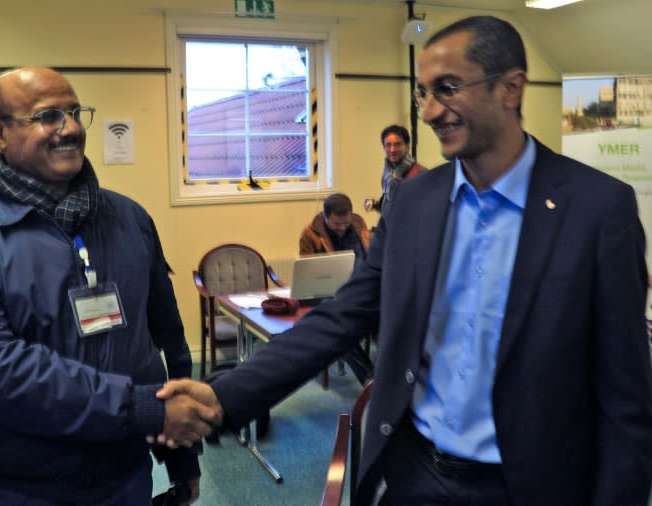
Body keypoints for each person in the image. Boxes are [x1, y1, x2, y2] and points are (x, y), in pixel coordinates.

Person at [157, 16, 652, 505]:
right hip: (416, 476)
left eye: (448, 88)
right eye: (423, 94)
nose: (430, 111)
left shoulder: (598, 210)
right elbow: (343, 316)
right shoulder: (415, 203)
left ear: (511, 89)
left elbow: (626, 397)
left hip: (533, 485)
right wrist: (228, 395)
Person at [0, 67, 216, 505]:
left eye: (76, 112)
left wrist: (181, 456)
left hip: (125, 480)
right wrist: (142, 410)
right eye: (49, 116)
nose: (72, 128)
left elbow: (163, 339)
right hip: (17, 488)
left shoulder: (131, 219)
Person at [299, 192, 373, 385]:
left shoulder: (359, 226)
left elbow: (371, 258)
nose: (341, 228)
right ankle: (370, 382)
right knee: (343, 329)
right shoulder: (310, 235)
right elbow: (308, 274)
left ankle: (396, 380)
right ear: (325, 217)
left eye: (345, 223)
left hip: (364, 290)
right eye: (336, 224)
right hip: (332, 297)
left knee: (395, 321)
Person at [362, 124, 426, 215]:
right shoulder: (387, 174)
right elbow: (391, 206)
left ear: (407, 146)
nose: (392, 150)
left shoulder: (420, 174)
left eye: (398, 144)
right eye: (388, 145)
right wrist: (375, 204)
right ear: (384, 147)